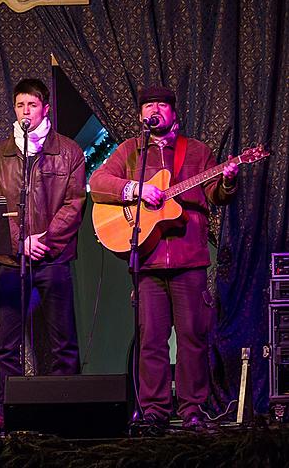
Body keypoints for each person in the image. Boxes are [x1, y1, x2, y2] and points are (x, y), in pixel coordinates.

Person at [89, 85, 238, 431]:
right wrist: (136, 189)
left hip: (189, 259)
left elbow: (216, 194)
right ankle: (154, 410)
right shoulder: (129, 151)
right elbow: (98, 182)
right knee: (151, 339)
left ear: (173, 112)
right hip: (148, 259)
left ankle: (192, 410)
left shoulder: (197, 151)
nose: (153, 110)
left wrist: (227, 182)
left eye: (160, 105)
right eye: (147, 106)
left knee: (192, 338)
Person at [0, 78, 85, 425]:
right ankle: (8, 409)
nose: (26, 112)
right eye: (20, 106)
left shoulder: (68, 151)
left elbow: (74, 203)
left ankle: (64, 408)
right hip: (13, 260)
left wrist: (45, 240)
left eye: (33, 105)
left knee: (63, 341)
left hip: (53, 259)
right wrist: (19, 242)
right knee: (7, 343)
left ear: (45, 108)